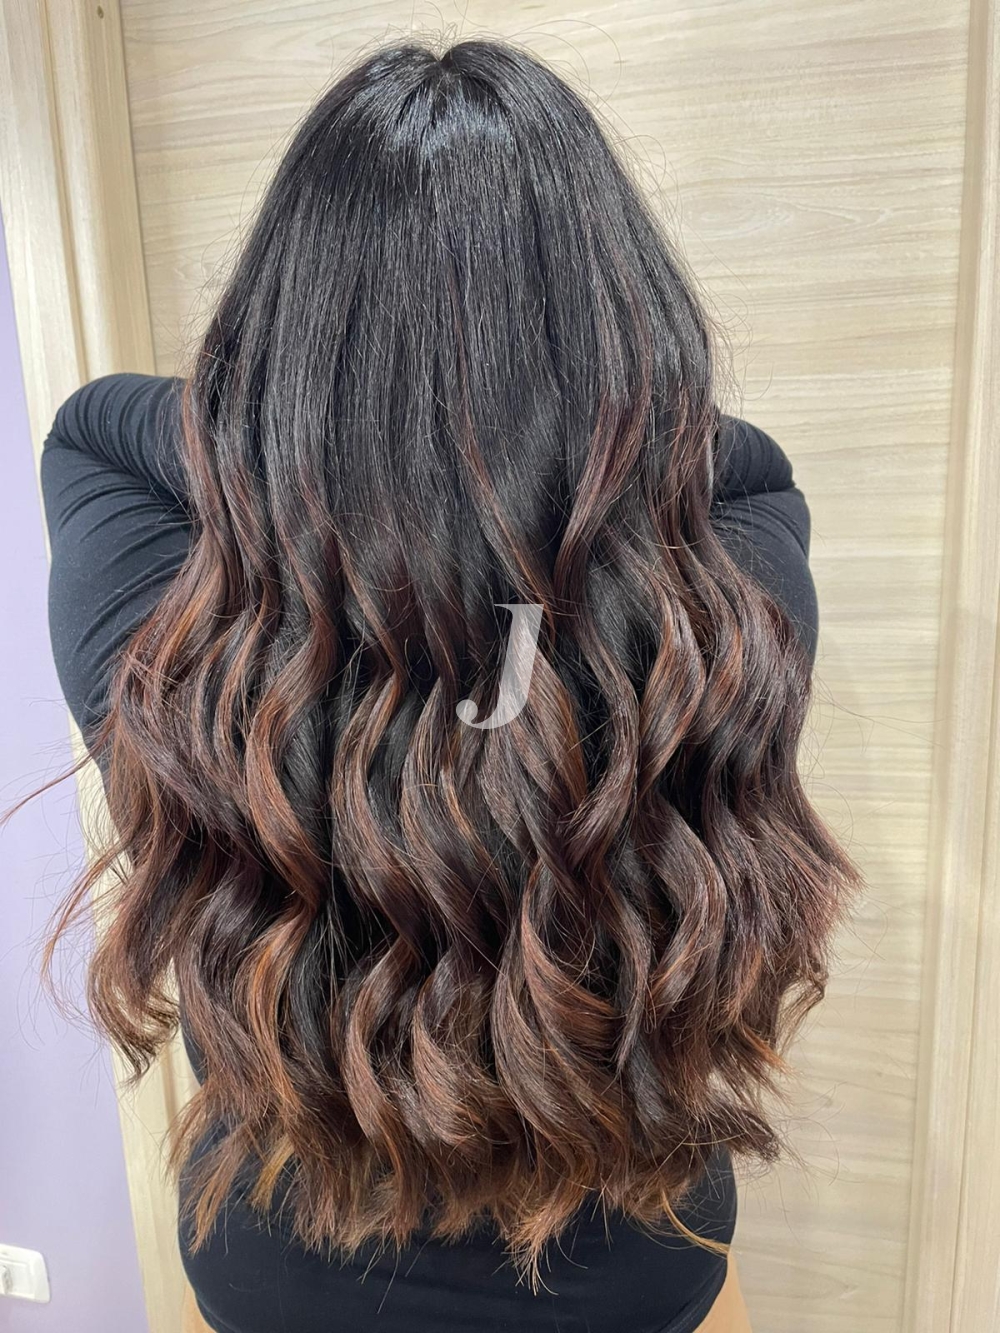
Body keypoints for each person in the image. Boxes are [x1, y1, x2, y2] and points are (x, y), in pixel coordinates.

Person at [34, 38, 859, 1333]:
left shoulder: (175, 644)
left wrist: (320, 440)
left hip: (279, 1274)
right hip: (632, 1275)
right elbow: (743, 464)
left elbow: (94, 429)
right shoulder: (718, 619)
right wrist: (535, 454)